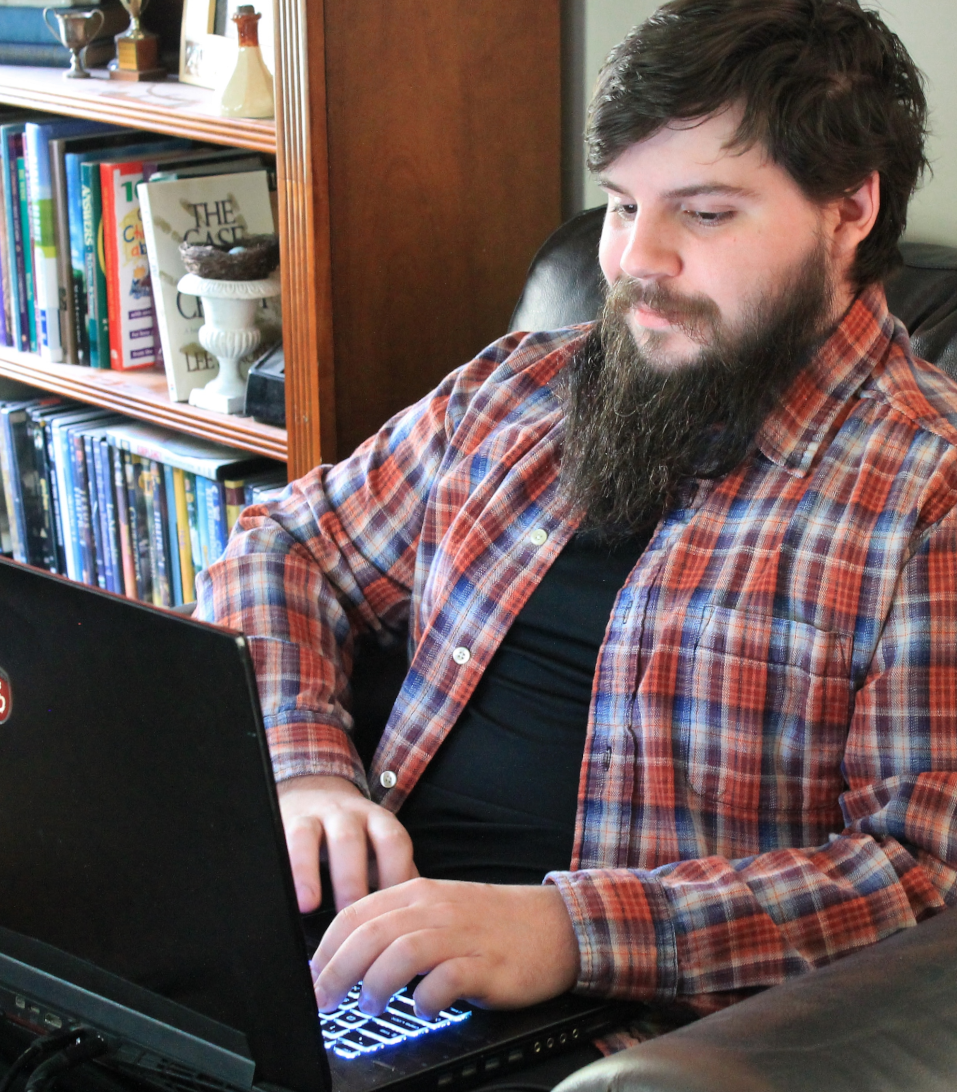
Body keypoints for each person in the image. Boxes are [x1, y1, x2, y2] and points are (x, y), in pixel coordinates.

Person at [195, 0, 957, 1045]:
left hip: (619, 1034)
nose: (638, 260)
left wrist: (566, 929)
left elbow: (919, 884)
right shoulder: (518, 391)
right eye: (618, 205)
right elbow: (286, 546)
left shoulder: (928, 492)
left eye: (704, 213)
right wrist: (305, 769)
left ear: (850, 210)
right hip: (353, 961)